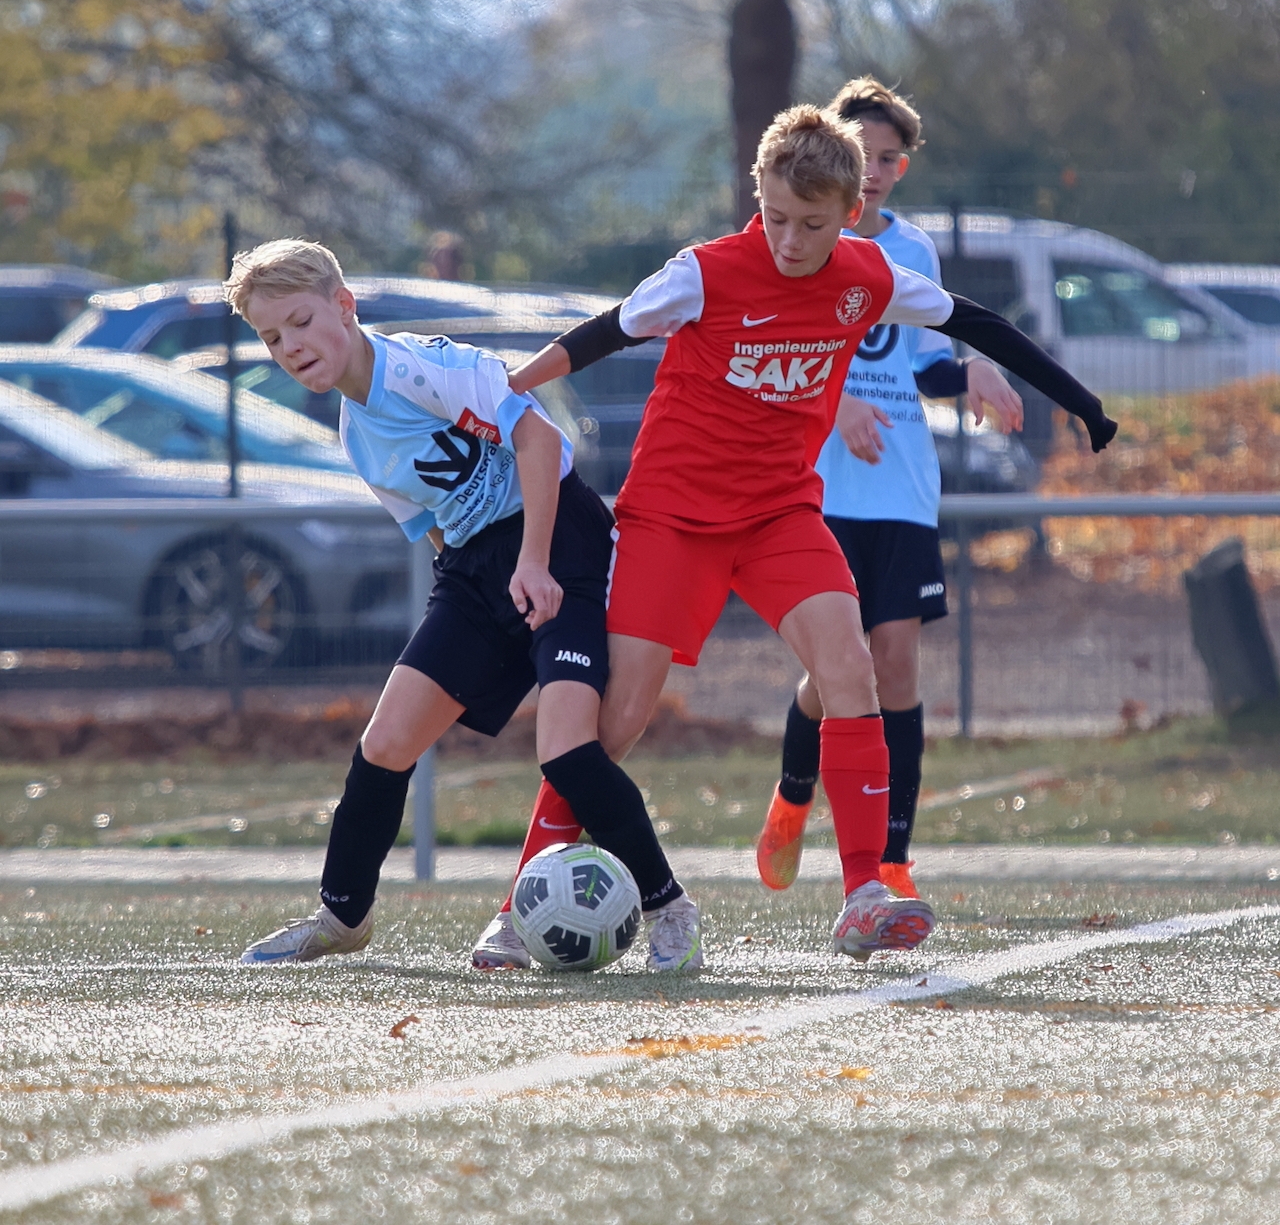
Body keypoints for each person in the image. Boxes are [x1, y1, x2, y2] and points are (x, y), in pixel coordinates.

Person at [506, 105, 1116, 960]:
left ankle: (865, 892)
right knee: (618, 722)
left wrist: (1082, 403)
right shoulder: (705, 273)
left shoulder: (869, 275)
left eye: (813, 224)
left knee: (851, 664)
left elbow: (976, 323)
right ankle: (523, 900)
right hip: (672, 517)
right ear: (757, 193)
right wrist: (510, 389)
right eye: (777, 217)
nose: (790, 241)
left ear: (851, 214)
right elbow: (603, 333)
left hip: (779, 514)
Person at [225, 239, 702, 972]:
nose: (289, 346)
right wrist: (470, 607)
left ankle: (670, 908)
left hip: (558, 542)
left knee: (567, 751)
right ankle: (343, 916)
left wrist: (534, 562)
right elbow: (437, 527)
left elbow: (537, 442)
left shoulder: (423, 369)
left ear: (344, 307)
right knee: (385, 745)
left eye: (300, 322)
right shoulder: (355, 433)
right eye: (270, 337)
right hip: (476, 570)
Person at [757, 77, 1022, 900]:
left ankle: (893, 861)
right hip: (821, 491)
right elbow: (769, 354)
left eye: (888, 159)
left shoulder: (913, 253)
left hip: (901, 489)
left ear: (901, 169)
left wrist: (971, 370)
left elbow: (923, 363)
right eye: (861, 153)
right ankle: (793, 796)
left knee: (894, 665)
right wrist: (834, 405)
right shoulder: (792, 239)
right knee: (840, 668)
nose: (872, 170)